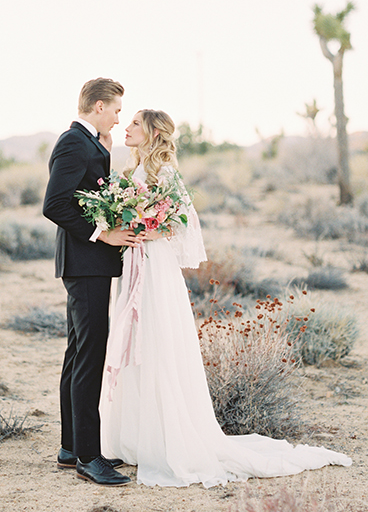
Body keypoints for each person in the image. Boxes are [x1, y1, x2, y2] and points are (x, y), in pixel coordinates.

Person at [100, 109, 352, 488]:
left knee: (155, 340)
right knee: (136, 342)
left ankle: (164, 437)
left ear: (153, 133)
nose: (127, 127)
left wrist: (148, 230)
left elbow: (179, 224)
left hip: (154, 268)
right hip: (135, 264)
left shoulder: (164, 174)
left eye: (135, 123)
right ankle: (133, 436)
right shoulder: (131, 171)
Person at [43, 77, 144, 486]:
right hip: (84, 264)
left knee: (78, 352)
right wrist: (103, 234)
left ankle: (72, 447)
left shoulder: (93, 144)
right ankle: (88, 456)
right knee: (90, 356)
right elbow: (55, 205)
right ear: (99, 107)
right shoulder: (73, 143)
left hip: (88, 265)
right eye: (117, 109)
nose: (120, 117)